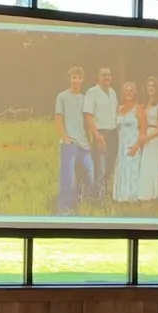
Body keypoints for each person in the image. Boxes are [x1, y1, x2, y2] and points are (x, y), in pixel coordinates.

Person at [54, 65, 95, 214]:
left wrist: (90, 139)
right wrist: (65, 139)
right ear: (69, 79)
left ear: (82, 80)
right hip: (69, 144)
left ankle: (85, 203)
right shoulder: (62, 97)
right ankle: (64, 208)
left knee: (90, 173)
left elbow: (87, 121)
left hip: (84, 144)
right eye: (73, 77)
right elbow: (58, 120)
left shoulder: (85, 98)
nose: (76, 81)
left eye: (79, 78)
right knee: (68, 178)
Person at [83, 67, 119, 199]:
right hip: (100, 133)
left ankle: (106, 193)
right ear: (98, 77)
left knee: (111, 165)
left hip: (113, 133)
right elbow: (88, 116)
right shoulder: (92, 93)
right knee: (101, 166)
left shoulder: (113, 92)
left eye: (109, 75)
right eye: (103, 75)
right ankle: (98, 198)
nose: (107, 77)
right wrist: (97, 136)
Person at [112, 81, 145, 203]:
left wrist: (136, 146)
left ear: (135, 93)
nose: (129, 93)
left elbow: (143, 131)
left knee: (132, 170)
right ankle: (121, 197)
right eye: (126, 90)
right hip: (121, 145)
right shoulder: (119, 108)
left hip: (133, 143)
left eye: (131, 91)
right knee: (122, 169)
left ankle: (132, 198)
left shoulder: (138, 109)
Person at [136, 77, 158, 202]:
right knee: (144, 165)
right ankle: (144, 194)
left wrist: (149, 137)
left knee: (152, 164)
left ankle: (154, 194)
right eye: (148, 86)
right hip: (143, 133)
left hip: (154, 136)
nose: (150, 88)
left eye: (153, 86)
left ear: (157, 88)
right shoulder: (144, 103)